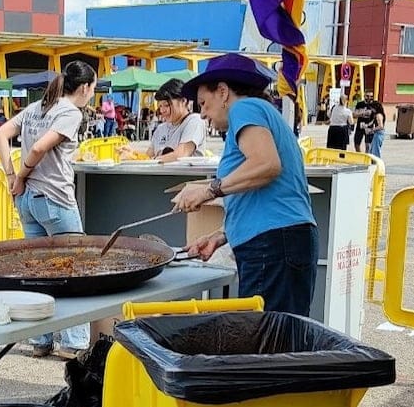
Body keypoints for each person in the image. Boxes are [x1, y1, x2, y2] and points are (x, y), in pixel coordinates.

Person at [171, 53, 318, 316]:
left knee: (268, 345)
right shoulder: (256, 113)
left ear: (223, 92)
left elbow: (266, 165)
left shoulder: (245, 108)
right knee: (277, 341)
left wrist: (208, 190)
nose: (203, 114)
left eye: (204, 103)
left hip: (274, 245)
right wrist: (221, 235)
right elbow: (260, 191)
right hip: (279, 241)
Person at [0, 60, 97, 359]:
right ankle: (75, 341)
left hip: (27, 200)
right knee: (74, 267)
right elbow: (39, 148)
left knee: (39, 270)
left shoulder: (38, 106)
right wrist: (21, 175)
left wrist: (12, 176)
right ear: (85, 87)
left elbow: (0, 134)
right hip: (54, 198)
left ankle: (41, 339)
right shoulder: (69, 112)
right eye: (93, 87)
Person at [118, 79, 207, 163]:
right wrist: (133, 154)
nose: (162, 110)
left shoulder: (194, 121)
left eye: (166, 105)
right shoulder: (161, 129)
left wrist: (152, 161)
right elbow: (148, 156)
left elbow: (180, 155)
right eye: (160, 106)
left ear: (183, 101)